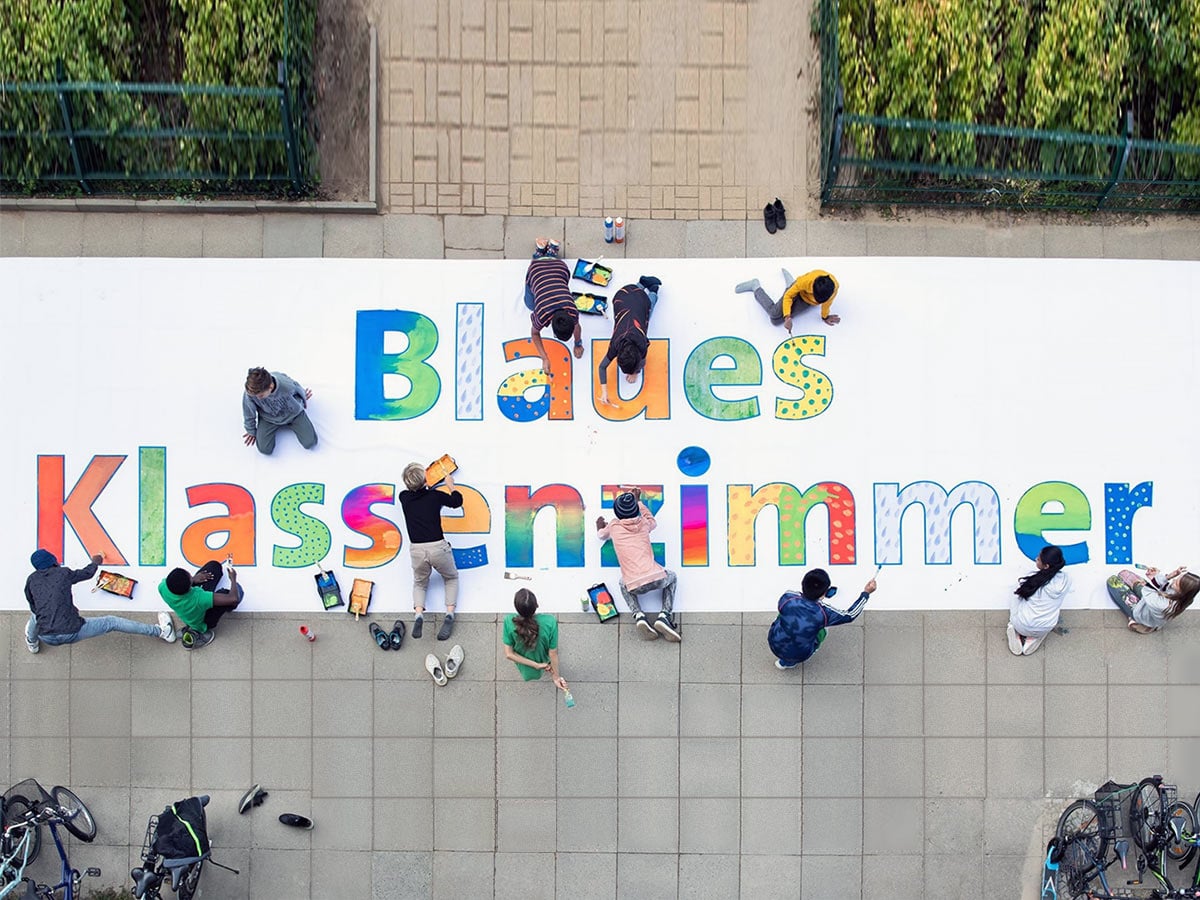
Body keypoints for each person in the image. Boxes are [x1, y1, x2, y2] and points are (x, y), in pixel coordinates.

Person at [24, 549, 175, 652]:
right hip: (71, 630)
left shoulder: (31, 580)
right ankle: (161, 632)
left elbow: (34, 607)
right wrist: (95, 561)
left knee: (35, 614)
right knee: (112, 622)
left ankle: (32, 641)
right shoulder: (63, 573)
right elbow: (87, 573)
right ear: (53, 561)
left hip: (45, 636)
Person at [595, 488, 680, 641]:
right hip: (657, 577)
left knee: (622, 583)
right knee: (672, 577)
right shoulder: (644, 523)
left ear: (617, 513)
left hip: (634, 585)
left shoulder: (614, 526)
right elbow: (653, 521)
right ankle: (664, 615)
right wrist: (639, 502)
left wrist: (600, 526)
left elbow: (602, 535)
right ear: (636, 511)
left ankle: (639, 615)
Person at [398, 462, 463, 640]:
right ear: (426, 480)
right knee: (451, 578)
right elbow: (457, 502)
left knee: (420, 583)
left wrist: (424, 485)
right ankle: (449, 613)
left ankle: (419, 613)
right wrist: (450, 485)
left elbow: (419, 494)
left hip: (417, 550)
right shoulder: (435, 496)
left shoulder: (403, 497)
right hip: (437, 547)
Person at [768, 568, 875, 669]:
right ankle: (789, 662)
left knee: (783, 613)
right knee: (824, 628)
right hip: (801, 654)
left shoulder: (787, 597)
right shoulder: (823, 613)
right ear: (824, 594)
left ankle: (783, 662)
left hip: (773, 642)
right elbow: (850, 615)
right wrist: (866, 593)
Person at [597, 276, 662, 407]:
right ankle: (645, 285)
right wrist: (604, 392)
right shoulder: (616, 344)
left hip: (625, 295)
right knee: (639, 309)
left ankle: (653, 290)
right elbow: (602, 367)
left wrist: (635, 373)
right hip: (621, 297)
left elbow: (603, 367)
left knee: (649, 308)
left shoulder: (640, 342)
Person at [524, 238, 583, 373]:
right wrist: (544, 358)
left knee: (550, 281)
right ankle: (541, 254)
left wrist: (577, 343)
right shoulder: (542, 313)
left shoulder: (571, 308)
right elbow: (534, 334)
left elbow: (577, 327)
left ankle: (548, 253)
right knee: (529, 304)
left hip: (555, 267)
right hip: (544, 268)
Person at [158, 560, 243, 649]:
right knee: (236, 592)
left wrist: (193, 580)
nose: (191, 575)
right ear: (189, 587)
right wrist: (233, 579)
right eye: (190, 576)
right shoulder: (198, 597)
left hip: (189, 613)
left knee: (214, 566)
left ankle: (191, 626)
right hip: (204, 622)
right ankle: (197, 633)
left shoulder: (162, 587)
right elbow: (233, 599)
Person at [1007, 545, 1069, 655]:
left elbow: (1018, 595)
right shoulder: (1066, 580)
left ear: (1046, 566)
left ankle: (1014, 628)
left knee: (1015, 593)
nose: (1036, 559)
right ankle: (1033, 638)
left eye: (1039, 559)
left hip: (1022, 624)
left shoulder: (1032, 579)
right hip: (1046, 626)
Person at [735, 268, 840, 331]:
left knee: (775, 322)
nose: (818, 302)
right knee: (773, 313)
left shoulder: (833, 290)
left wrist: (825, 317)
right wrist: (787, 317)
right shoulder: (806, 281)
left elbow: (827, 304)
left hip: (807, 302)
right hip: (798, 292)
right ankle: (756, 287)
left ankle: (789, 284)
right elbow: (788, 296)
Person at [502, 588, 567, 690]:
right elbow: (553, 653)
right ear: (536, 605)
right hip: (543, 656)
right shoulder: (550, 621)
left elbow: (509, 654)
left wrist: (536, 665)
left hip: (525, 661)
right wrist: (556, 676)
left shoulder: (508, 621)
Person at [242, 367, 316, 455]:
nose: (257, 398)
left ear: (271, 386)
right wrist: (251, 430)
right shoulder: (251, 393)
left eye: (261, 396)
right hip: (269, 418)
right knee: (264, 449)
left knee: (310, 442)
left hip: (293, 413)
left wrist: (303, 396)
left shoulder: (286, 385)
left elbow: (296, 387)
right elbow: (248, 412)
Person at [1106, 565, 1198, 634]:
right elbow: (1164, 589)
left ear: (1182, 591)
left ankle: (1144, 624)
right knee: (1124, 573)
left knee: (1112, 581)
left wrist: (1156, 578)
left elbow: (1147, 591)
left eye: (1176, 583)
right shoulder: (1186, 597)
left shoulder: (1163, 605)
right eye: (1176, 578)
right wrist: (1169, 575)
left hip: (1142, 611)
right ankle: (1152, 623)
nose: (1173, 580)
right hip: (1152, 600)